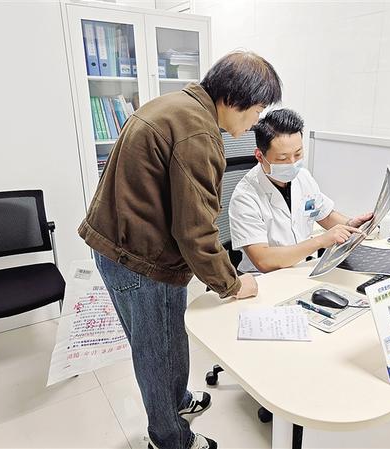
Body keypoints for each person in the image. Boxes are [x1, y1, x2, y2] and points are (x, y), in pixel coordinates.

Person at [78, 51, 282, 449]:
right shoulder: (198, 134)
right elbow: (195, 230)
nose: (256, 122)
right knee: (156, 353)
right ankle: (169, 438)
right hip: (140, 259)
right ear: (234, 99)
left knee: (165, 339)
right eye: (257, 110)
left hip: (124, 245)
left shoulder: (177, 104)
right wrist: (232, 283)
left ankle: (178, 401)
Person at [228, 108, 373, 274]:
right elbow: (264, 261)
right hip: (264, 278)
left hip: (300, 270)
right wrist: (320, 241)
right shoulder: (245, 196)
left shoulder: (303, 177)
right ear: (260, 156)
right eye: (282, 158)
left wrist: (349, 225)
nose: (292, 163)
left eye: (298, 154)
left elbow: (324, 215)